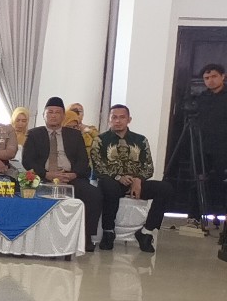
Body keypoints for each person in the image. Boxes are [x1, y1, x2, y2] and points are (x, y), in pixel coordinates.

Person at [22, 96, 102, 253]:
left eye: (57, 112)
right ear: (44, 115)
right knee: (23, 193)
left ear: (63, 116)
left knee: (94, 194)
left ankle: (86, 237)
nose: (53, 115)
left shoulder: (74, 135)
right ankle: (28, 236)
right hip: (43, 177)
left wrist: (74, 174)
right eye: (50, 112)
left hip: (69, 177)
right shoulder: (34, 134)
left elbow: (83, 160)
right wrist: (47, 174)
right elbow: (28, 161)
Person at [92, 104, 172, 253]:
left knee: (165, 188)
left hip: (136, 183)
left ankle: (146, 232)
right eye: (114, 117)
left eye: (122, 117)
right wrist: (118, 177)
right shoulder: (100, 140)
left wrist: (138, 180)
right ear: (109, 120)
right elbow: (98, 167)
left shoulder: (140, 140)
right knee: (108, 185)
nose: (118, 121)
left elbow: (148, 167)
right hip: (112, 182)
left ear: (129, 119)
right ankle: (108, 231)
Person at [191, 63, 227, 224]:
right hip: (202, 147)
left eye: (214, 76)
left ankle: (220, 218)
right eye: (206, 78)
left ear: (222, 76)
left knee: (220, 183)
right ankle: (195, 218)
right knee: (198, 182)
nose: (210, 81)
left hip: (223, 148)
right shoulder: (201, 98)